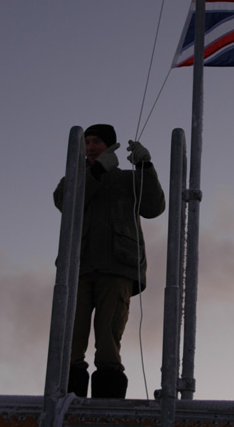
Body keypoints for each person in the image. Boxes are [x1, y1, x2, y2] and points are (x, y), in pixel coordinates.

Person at [53, 124, 165, 399]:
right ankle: (67, 400)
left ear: (110, 147)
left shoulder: (128, 180)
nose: (89, 147)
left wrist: (145, 166)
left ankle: (107, 401)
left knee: (108, 341)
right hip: (77, 270)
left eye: (96, 142)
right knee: (71, 341)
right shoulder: (75, 180)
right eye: (86, 142)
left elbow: (154, 207)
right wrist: (97, 171)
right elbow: (64, 202)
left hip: (118, 269)